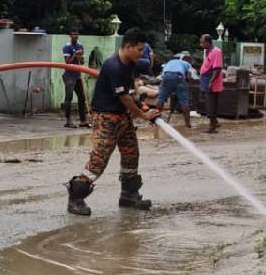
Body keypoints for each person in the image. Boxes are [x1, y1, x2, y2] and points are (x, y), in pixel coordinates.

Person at [64, 29, 160, 216]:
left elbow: (132, 88)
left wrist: (140, 104)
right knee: (99, 159)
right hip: (106, 117)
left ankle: (129, 194)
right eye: (139, 50)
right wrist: (143, 114)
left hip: (122, 115)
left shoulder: (130, 63)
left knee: (131, 154)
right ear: (128, 47)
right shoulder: (113, 66)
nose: (142, 54)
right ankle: (76, 197)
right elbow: (124, 97)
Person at [61, 30, 88, 129]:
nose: (75, 36)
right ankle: (68, 120)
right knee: (69, 97)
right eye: (73, 34)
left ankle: (83, 120)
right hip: (69, 75)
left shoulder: (80, 46)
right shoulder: (67, 47)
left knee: (82, 97)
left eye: (77, 34)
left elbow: (82, 60)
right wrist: (75, 54)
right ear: (70, 35)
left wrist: (80, 57)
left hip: (77, 75)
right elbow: (68, 62)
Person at [159, 53, 195, 128]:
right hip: (178, 77)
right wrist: (189, 82)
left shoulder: (170, 62)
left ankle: (157, 120)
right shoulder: (187, 64)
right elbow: (189, 77)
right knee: (184, 102)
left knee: (161, 99)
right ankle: (187, 124)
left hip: (166, 77)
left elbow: (163, 74)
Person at [199, 34, 225, 134]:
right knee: (208, 103)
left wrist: (211, 82)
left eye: (202, 42)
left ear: (208, 42)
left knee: (211, 104)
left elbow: (217, 68)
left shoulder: (216, 51)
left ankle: (212, 126)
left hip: (211, 81)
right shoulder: (208, 51)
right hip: (206, 79)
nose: (201, 44)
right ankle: (215, 122)